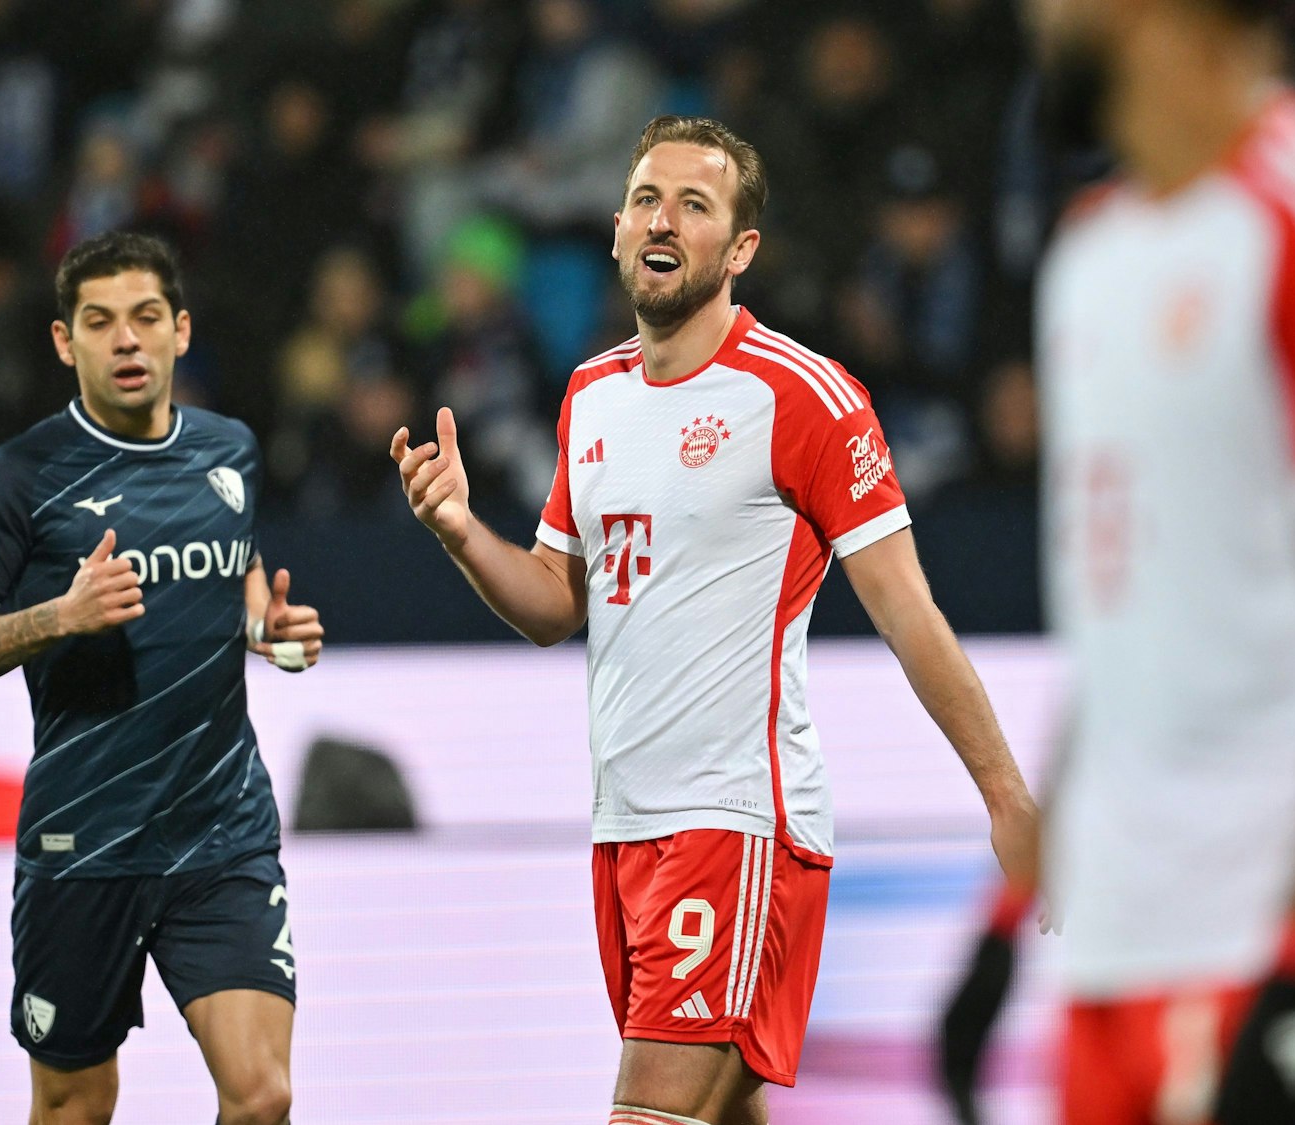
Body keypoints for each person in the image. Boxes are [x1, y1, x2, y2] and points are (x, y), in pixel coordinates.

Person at [392, 115, 1041, 1124]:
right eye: (647, 199)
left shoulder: (803, 398)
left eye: (695, 205)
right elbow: (554, 604)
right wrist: (457, 530)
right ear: (614, 230)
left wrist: (1004, 797)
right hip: (623, 831)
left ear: (738, 250)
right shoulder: (589, 394)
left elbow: (908, 614)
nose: (664, 219)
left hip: (736, 828)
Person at [941, 2, 1295, 1124]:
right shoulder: (1089, 253)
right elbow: (1125, 632)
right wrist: (1009, 916)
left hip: (1273, 924)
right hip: (1118, 943)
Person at [0, 231, 320, 1125]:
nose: (125, 341)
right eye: (100, 323)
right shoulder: (18, 477)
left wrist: (264, 625)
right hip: (83, 842)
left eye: (144, 319)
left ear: (180, 330)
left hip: (221, 832)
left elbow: (236, 570)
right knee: (75, 1103)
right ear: (67, 342)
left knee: (263, 1095)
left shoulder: (231, 450)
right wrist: (61, 614)